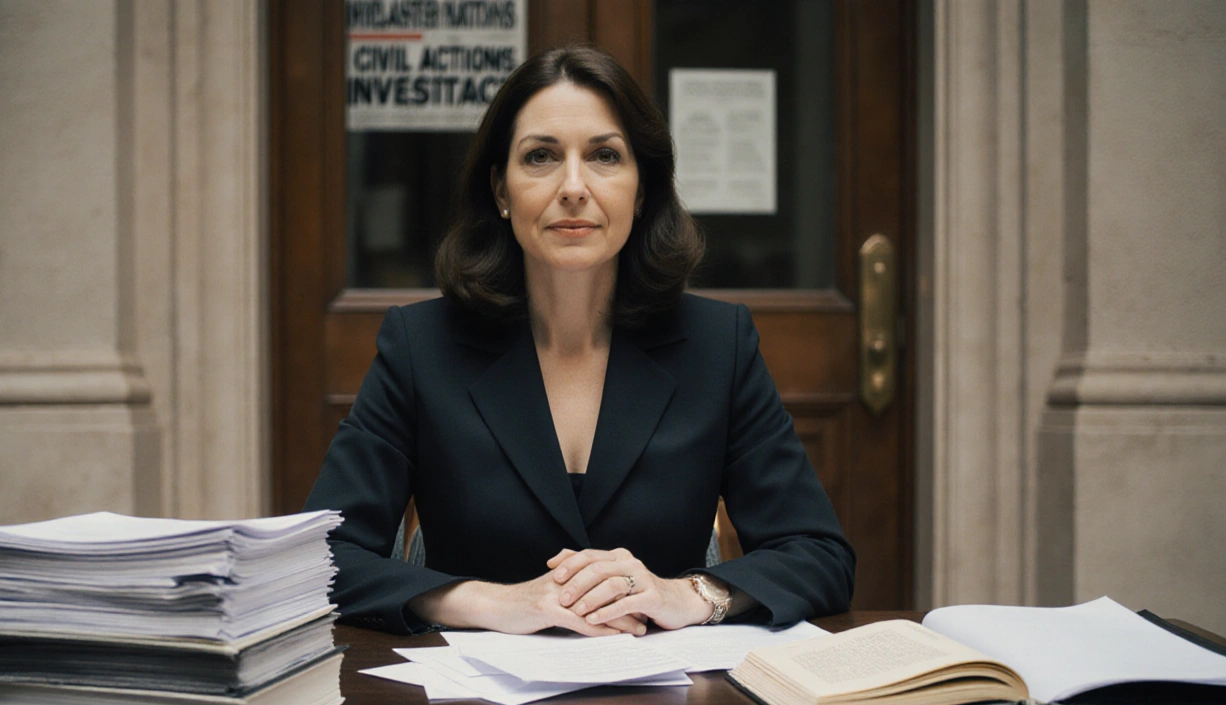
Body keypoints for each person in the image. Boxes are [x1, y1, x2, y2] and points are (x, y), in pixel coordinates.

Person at [304, 45, 854, 636]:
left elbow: (819, 555)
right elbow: (319, 560)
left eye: (605, 156)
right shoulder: (421, 346)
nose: (573, 186)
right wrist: (494, 605)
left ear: (642, 191)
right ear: (500, 189)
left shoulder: (719, 346)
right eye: (540, 156)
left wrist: (690, 595)